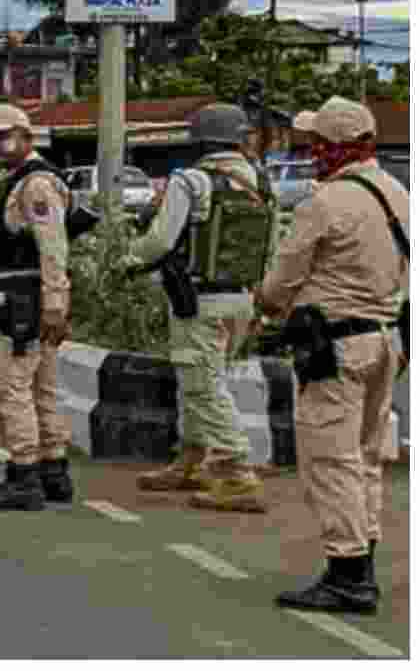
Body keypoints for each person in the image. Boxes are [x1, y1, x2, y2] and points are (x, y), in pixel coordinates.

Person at [258, 96, 408, 616]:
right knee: (364, 459)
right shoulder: (399, 194)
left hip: (336, 348)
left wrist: (268, 306)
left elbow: (280, 282)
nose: (311, 152)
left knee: (330, 460)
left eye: (317, 143)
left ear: (334, 147)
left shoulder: (324, 203)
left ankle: (347, 576)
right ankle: (361, 558)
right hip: (386, 340)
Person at [127, 104, 275, 513]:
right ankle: (191, 461)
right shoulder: (261, 181)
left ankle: (237, 473)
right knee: (199, 380)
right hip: (241, 300)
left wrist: (128, 258)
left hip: (199, 301)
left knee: (203, 387)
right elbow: (271, 247)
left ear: (200, 141)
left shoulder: (191, 180)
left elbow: (160, 241)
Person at [0, 104, 74, 511]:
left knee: (9, 385)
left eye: (4, 136)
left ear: (26, 137)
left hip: (25, 299)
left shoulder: (36, 184)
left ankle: (24, 474)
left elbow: (53, 246)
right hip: (29, 296)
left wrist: (55, 303)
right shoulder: (21, 180)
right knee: (42, 386)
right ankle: (54, 469)